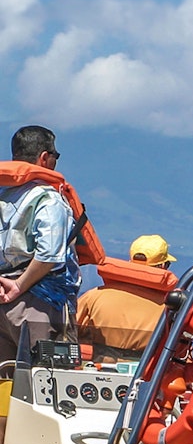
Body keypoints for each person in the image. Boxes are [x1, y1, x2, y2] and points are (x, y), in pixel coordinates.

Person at [0, 126, 80, 363]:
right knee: (48, 382)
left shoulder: (2, 194)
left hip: (2, 302)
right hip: (38, 305)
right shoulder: (48, 199)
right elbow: (49, 255)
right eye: (56, 155)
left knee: (5, 381)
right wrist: (18, 285)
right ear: (45, 157)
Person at [76, 234, 178, 362]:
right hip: (147, 378)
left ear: (130, 263)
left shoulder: (94, 297)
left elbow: (67, 330)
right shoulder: (172, 308)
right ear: (163, 267)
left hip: (100, 372)